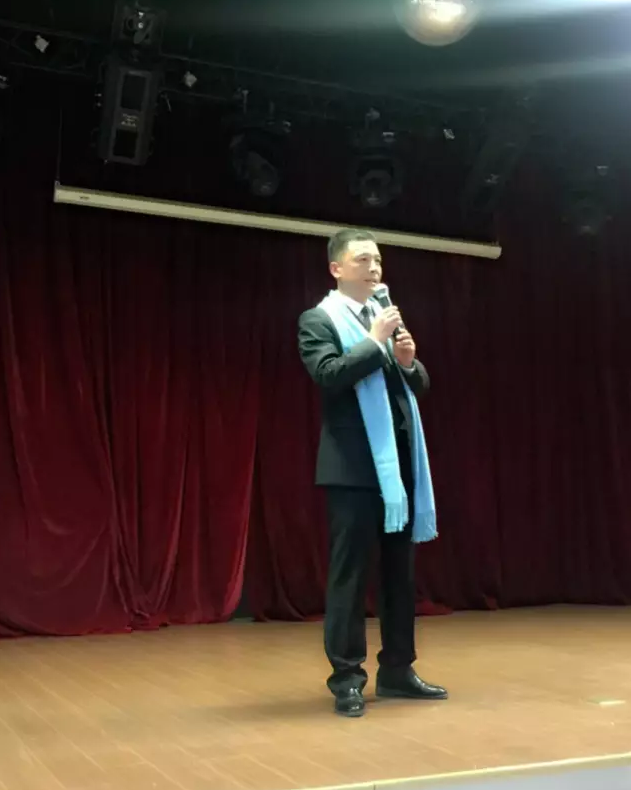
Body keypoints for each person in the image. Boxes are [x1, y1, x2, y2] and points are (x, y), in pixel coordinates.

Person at [297, 228, 448, 718]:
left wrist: (407, 363)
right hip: (352, 469)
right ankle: (347, 678)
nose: (375, 268)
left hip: (397, 471)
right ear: (336, 268)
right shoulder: (320, 320)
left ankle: (398, 670)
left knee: (399, 575)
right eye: (363, 259)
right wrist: (374, 341)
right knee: (350, 575)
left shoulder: (381, 319)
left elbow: (413, 387)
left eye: (378, 260)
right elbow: (327, 374)